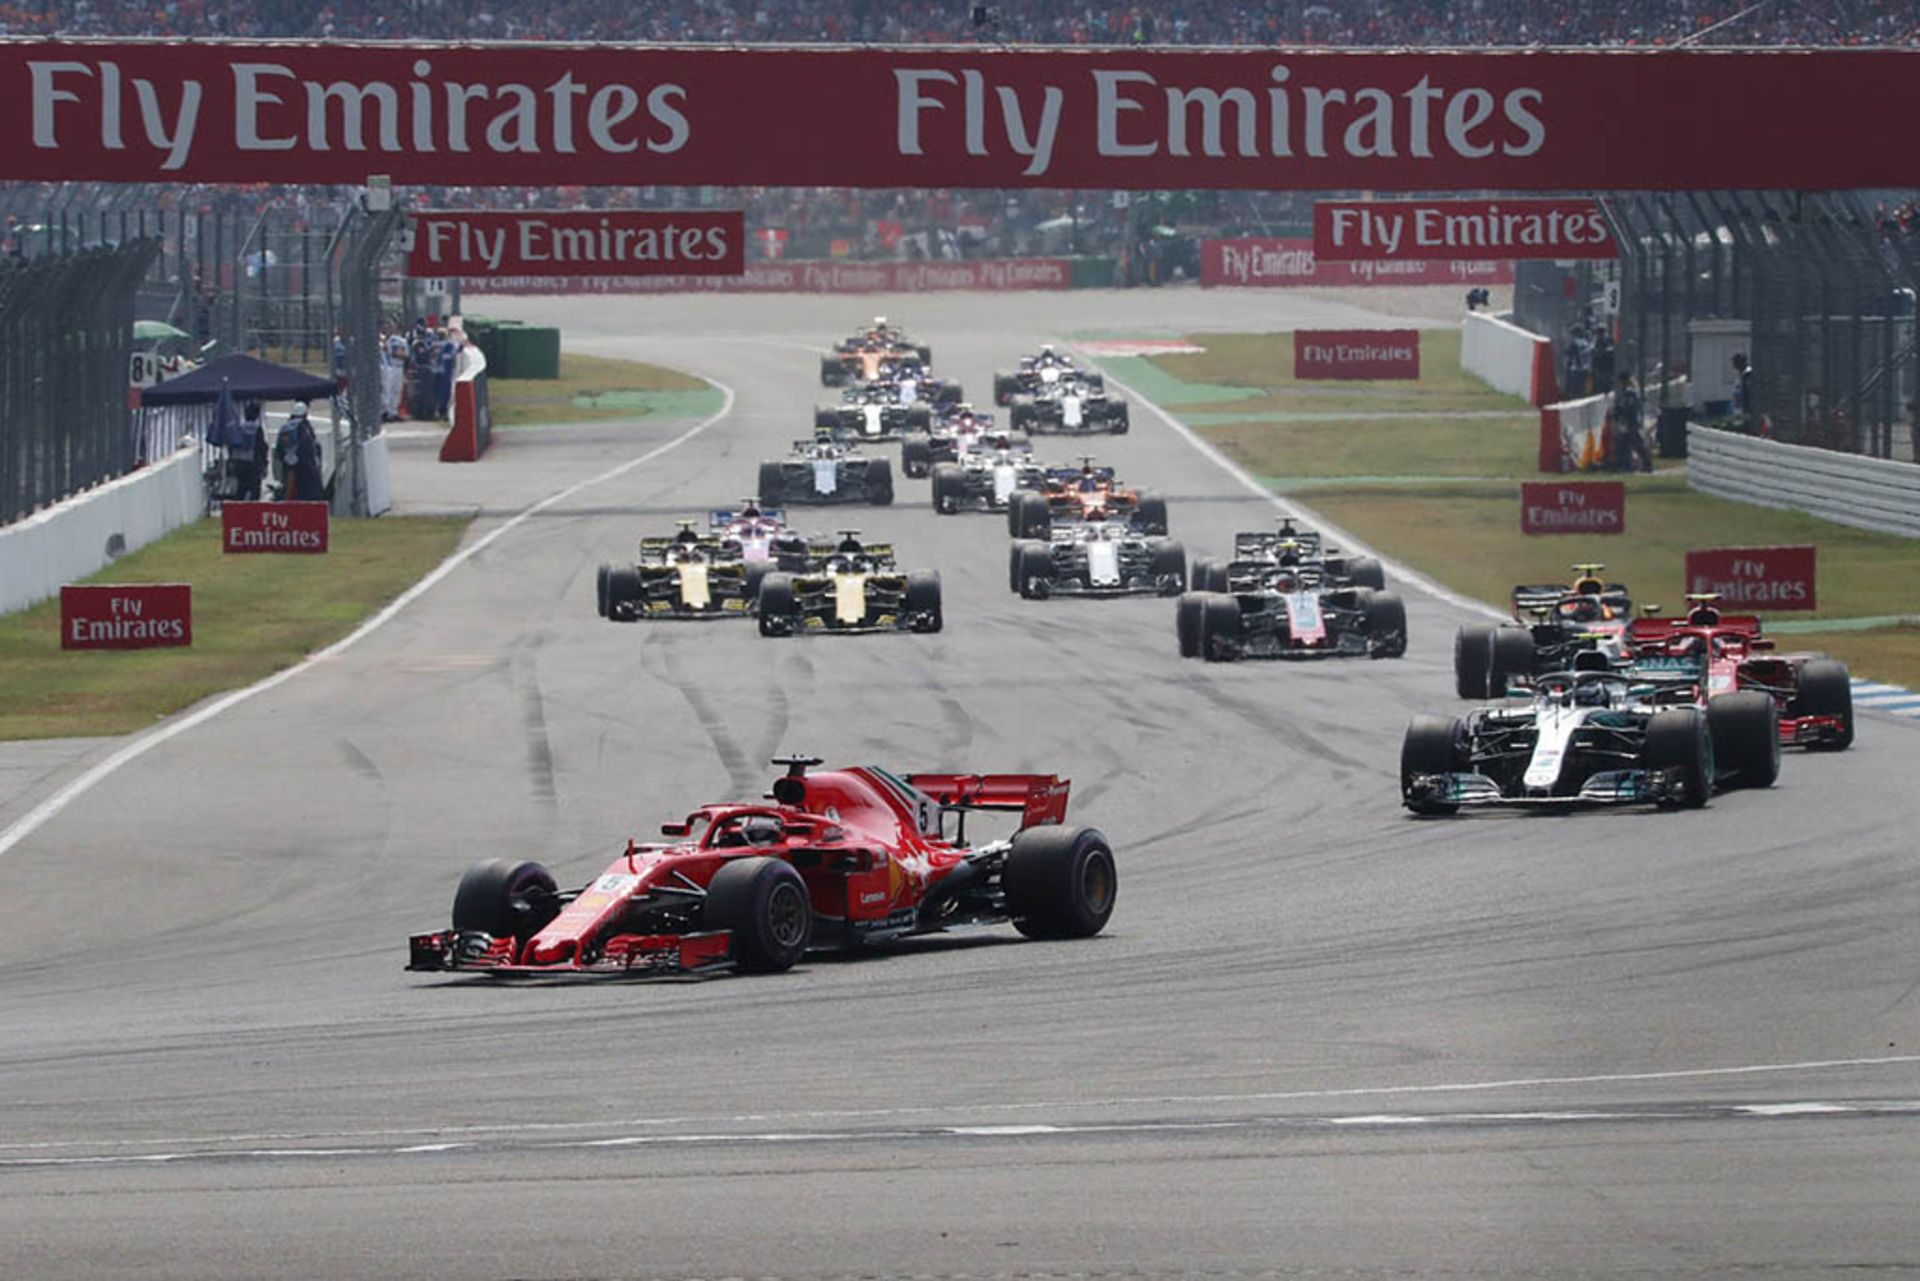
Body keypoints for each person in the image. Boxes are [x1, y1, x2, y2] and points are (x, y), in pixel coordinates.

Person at [276, 401, 325, 501]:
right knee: (308, 493)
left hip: (288, 466)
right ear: (305, 414)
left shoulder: (285, 427)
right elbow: (308, 447)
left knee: (290, 492)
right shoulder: (304, 426)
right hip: (304, 467)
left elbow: (279, 448)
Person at [1610, 373, 1652, 472]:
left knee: (1637, 443)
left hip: (1631, 422)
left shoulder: (1630, 393)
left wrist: (1618, 412)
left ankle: (1646, 464)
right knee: (1626, 444)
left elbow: (1628, 408)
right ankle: (1627, 465)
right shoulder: (1628, 393)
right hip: (1628, 422)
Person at [230, 400, 268, 501]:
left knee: (241, 489)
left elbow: (232, 445)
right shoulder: (257, 429)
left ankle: (238, 508)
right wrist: (265, 464)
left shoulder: (239, 428)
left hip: (240, 462)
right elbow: (261, 448)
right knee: (255, 490)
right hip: (253, 463)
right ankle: (252, 509)